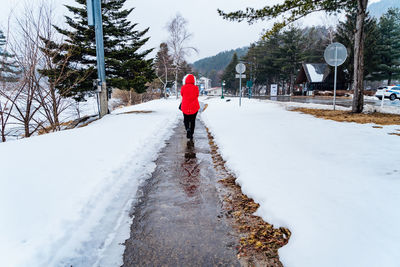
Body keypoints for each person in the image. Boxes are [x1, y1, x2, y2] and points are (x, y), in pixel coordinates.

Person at [180, 74, 200, 140]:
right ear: (193, 81)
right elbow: (197, 95)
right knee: (192, 121)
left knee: (186, 120)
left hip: (185, 106)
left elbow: (182, 94)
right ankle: (191, 133)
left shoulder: (183, 87)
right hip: (194, 106)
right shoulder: (196, 87)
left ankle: (187, 129)